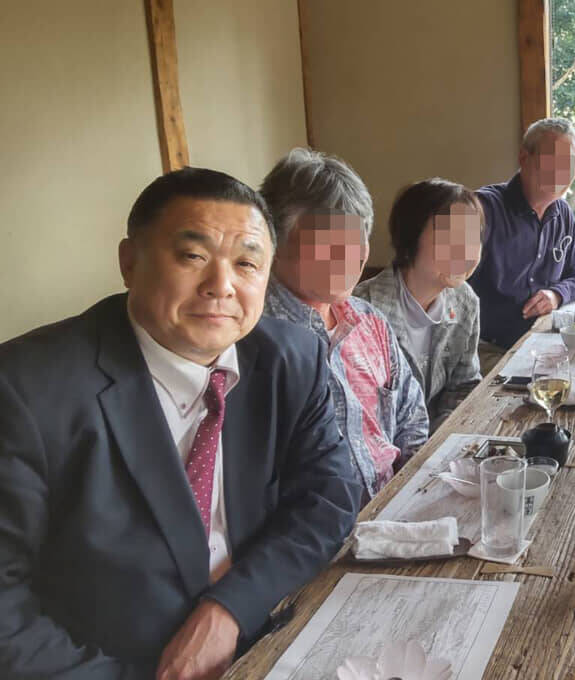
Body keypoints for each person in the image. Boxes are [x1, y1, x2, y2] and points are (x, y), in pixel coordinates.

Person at [0, 167, 359, 678]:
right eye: (193, 257)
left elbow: (328, 498)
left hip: (270, 631)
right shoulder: (25, 390)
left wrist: (232, 607)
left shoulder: (292, 358)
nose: (221, 286)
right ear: (130, 262)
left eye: (246, 263)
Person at [260, 148, 431, 503]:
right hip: (316, 529)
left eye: (358, 237)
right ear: (274, 240)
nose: (349, 254)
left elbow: (411, 418)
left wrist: (410, 498)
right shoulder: (254, 338)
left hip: (395, 508)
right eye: (327, 241)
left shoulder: (370, 321)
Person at [355, 178, 484, 427]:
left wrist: (443, 435)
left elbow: (464, 386)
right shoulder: (363, 311)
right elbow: (363, 414)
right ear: (410, 238)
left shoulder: (465, 301)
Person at [469, 118, 575, 373]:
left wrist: (556, 295)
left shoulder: (563, 213)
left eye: (569, 164)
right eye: (551, 161)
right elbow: (450, 291)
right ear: (524, 158)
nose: (560, 173)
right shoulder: (482, 209)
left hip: (542, 342)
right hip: (487, 350)